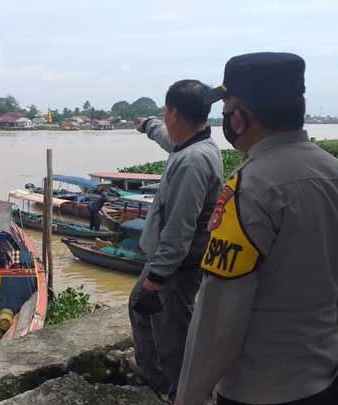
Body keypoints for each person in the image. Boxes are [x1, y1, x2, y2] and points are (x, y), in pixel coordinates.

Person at [176, 53, 338, 405]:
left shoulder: (249, 188)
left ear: (240, 117)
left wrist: (189, 396)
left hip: (259, 389)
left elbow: (218, 315)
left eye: (226, 110)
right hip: (326, 377)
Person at [129, 80, 224, 401]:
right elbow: (170, 141)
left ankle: (180, 392)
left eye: (163, 112)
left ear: (173, 112)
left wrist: (155, 281)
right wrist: (149, 126)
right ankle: (159, 380)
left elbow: (179, 229)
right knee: (142, 313)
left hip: (175, 267)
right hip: (171, 263)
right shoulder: (194, 146)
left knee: (172, 333)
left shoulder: (193, 162)